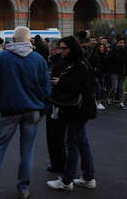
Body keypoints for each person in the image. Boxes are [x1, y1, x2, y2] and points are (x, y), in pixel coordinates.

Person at [0, 26, 50, 199]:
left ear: (14, 39)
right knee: (27, 151)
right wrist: (43, 110)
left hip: (10, 109)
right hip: (32, 110)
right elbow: (46, 89)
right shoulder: (39, 60)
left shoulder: (2, 57)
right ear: (29, 40)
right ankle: (23, 189)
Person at [47, 36, 97, 192]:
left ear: (71, 48)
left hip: (77, 110)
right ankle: (88, 177)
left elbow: (76, 86)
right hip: (82, 109)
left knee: (72, 144)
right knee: (82, 142)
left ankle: (67, 180)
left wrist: (58, 82)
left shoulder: (79, 65)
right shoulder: (79, 63)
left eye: (64, 48)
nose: (61, 51)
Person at [46, 39, 67, 175]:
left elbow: (55, 83)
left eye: (51, 49)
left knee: (54, 136)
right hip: (61, 104)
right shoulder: (59, 62)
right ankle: (60, 162)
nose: (50, 51)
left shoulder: (58, 63)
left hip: (56, 104)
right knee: (61, 136)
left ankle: (57, 164)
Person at [105, 36, 127, 109]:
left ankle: (121, 103)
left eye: (123, 43)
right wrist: (109, 71)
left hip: (123, 72)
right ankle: (108, 97)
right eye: (120, 42)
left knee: (121, 88)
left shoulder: (126, 52)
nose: (121, 44)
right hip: (114, 72)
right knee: (114, 87)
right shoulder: (112, 51)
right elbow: (108, 62)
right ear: (117, 43)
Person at [88, 42, 108, 111]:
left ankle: (98, 102)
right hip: (95, 74)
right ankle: (97, 103)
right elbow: (89, 64)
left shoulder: (104, 55)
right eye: (100, 47)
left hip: (102, 74)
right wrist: (94, 69)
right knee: (98, 88)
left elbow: (106, 65)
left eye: (103, 47)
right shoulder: (93, 56)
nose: (102, 49)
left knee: (101, 88)